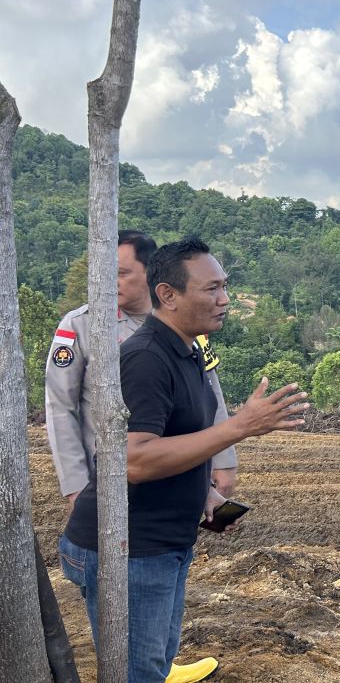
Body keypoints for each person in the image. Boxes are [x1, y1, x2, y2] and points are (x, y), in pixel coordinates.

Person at [58, 237, 310, 683]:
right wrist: (240, 426)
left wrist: (206, 492)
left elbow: (178, 438)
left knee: (155, 666)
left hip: (165, 543)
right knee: (138, 674)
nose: (225, 299)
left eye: (225, 286)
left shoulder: (188, 350)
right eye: (211, 289)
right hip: (130, 550)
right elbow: (134, 461)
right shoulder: (146, 359)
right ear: (168, 295)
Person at [45, 230, 236, 683]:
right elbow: (61, 408)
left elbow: (208, 400)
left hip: (163, 524)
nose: (111, 282)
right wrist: (74, 484)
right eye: (213, 288)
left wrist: (215, 472)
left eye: (123, 272)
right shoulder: (91, 328)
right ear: (169, 293)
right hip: (122, 520)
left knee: (154, 655)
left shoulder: (185, 338)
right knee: (137, 665)